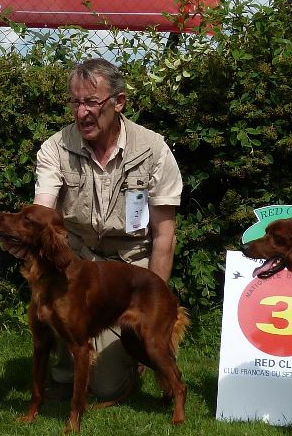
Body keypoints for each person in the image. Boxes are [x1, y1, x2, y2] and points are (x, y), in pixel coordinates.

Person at [32, 58, 182, 400]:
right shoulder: (55, 148)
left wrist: (152, 313)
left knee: (106, 386)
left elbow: (163, 236)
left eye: (92, 102)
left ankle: (139, 353)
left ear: (118, 102)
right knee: (69, 376)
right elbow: (43, 211)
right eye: (75, 102)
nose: (82, 112)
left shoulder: (154, 149)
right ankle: (69, 352)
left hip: (130, 267)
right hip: (78, 263)